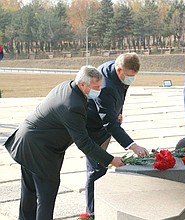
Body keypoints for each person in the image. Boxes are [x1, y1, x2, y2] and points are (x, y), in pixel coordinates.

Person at [3, 65, 125, 220]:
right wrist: (110, 160)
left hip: (27, 141)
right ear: (83, 84)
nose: (99, 90)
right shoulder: (73, 105)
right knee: (46, 195)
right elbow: (84, 143)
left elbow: (80, 119)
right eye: (96, 87)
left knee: (29, 191)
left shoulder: (68, 86)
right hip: (40, 149)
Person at [83, 52, 149, 219]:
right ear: (119, 70)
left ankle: (102, 203)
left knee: (101, 169)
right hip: (94, 127)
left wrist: (118, 112)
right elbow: (109, 123)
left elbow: (121, 93)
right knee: (96, 170)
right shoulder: (106, 86)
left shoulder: (117, 68)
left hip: (107, 118)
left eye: (134, 76)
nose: (131, 80)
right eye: (129, 76)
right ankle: (92, 211)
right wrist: (133, 146)